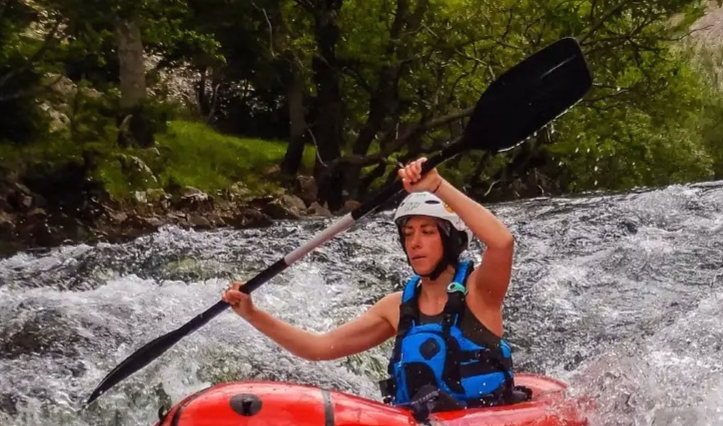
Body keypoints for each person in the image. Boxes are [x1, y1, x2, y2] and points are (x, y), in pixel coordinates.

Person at [222, 158, 519, 412]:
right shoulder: (396, 308)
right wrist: (253, 314)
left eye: (427, 232)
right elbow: (318, 347)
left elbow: (502, 243)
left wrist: (437, 185)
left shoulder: (480, 292)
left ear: (451, 239)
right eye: (407, 234)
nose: (414, 243)